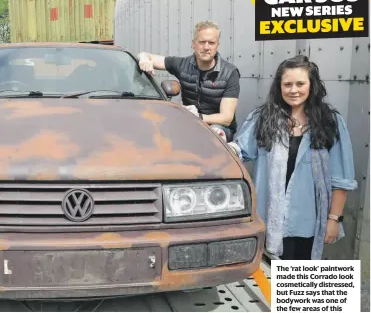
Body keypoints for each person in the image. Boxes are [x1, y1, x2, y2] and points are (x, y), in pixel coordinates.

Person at [223, 55, 357, 260]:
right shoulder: (263, 117)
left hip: (308, 223)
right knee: (268, 282)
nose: (293, 90)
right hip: (268, 219)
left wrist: (334, 219)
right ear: (279, 87)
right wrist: (220, 143)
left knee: (299, 285)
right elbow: (240, 150)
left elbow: (341, 179)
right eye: (287, 84)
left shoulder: (330, 121)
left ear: (312, 85)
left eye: (300, 83)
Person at [137, 20, 241, 141]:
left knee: (215, 133)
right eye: (202, 42)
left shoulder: (229, 73)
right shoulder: (182, 65)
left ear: (217, 45)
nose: (206, 47)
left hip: (218, 127)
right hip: (189, 121)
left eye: (211, 43)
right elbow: (146, 55)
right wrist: (144, 58)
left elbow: (226, 118)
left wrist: (199, 116)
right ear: (193, 44)